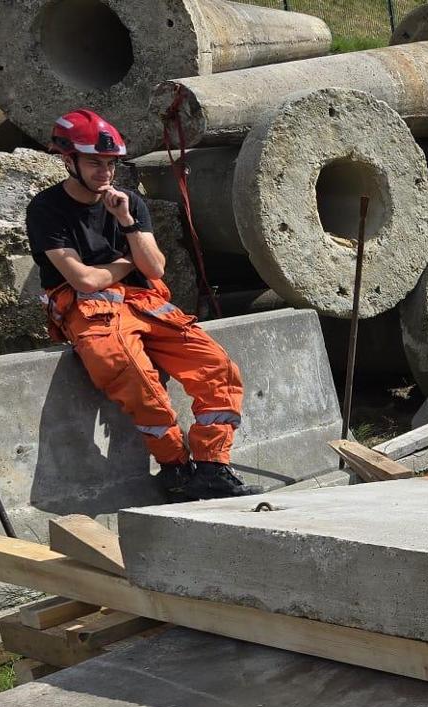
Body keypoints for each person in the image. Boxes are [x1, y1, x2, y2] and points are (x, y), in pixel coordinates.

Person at [27, 108, 259, 502]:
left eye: (111, 164)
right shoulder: (46, 209)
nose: (105, 172)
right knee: (134, 375)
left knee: (217, 367)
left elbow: (154, 267)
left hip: (144, 302)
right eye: (94, 163)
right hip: (88, 310)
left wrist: (128, 223)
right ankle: (175, 469)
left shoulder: (129, 202)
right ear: (69, 161)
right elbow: (83, 281)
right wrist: (125, 260)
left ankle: (213, 467)